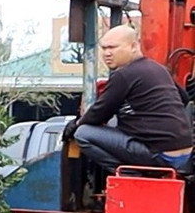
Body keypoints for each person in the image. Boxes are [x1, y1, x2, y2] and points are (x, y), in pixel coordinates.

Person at [62, 24, 193, 175]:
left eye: (112, 47)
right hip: (183, 155)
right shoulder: (158, 68)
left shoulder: (124, 75)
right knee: (116, 121)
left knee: (83, 133)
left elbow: (99, 113)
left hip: (161, 155)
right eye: (104, 48)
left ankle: (128, 175)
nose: (107, 53)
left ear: (133, 46)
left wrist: (76, 124)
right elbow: (183, 98)